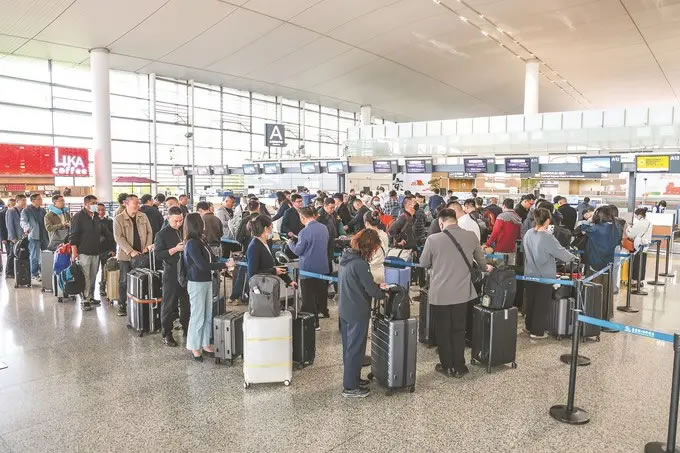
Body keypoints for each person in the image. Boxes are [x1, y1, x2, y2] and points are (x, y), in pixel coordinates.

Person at [420, 208, 489, 378]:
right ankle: (459, 365)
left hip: (440, 294)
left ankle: (447, 366)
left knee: (443, 330)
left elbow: (423, 263)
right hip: (462, 293)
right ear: (456, 220)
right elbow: (482, 263)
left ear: (441, 223)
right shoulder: (471, 236)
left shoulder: (433, 239)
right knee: (459, 329)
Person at [337, 229, 386, 398]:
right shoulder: (360, 264)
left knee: (349, 348)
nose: (374, 252)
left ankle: (353, 379)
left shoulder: (345, 259)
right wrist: (383, 293)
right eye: (374, 249)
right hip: (357, 311)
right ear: (369, 247)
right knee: (355, 349)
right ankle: (350, 387)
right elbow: (371, 290)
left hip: (345, 308)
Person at [523, 208, 578, 339]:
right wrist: (573, 257)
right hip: (544, 276)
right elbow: (561, 253)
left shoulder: (528, 233)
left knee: (531, 302)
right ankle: (537, 332)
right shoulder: (548, 237)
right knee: (541, 305)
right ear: (548, 220)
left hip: (529, 274)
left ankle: (528, 326)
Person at [183, 213, 227, 361]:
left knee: (208, 314)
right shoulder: (191, 243)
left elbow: (211, 259)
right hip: (196, 282)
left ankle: (205, 342)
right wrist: (223, 265)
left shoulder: (201, 240)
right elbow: (202, 265)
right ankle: (194, 346)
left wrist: (223, 262)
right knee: (198, 315)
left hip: (207, 281)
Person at [288, 207, 329, 328]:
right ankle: (319, 315)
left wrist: (290, 244)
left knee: (308, 298)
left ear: (302, 217)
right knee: (318, 295)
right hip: (322, 267)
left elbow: (298, 251)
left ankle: (314, 323)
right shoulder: (324, 228)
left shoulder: (304, 232)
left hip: (308, 270)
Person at [154, 206, 190, 346]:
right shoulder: (161, 234)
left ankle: (187, 327)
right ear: (168, 218)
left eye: (181, 220)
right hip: (171, 272)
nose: (179, 223)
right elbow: (158, 254)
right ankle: (167, 333)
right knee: (169, 304)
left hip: (185, 271)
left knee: (186, 303)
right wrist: (175, 249)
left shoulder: (184, 230)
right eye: (176, 221)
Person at [113, 194, 153, 317]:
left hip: (142, 255)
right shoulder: (119, 219)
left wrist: (147, 246)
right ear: (127, 204)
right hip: (126, 256)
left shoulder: (143, 216)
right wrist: (130, 251)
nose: (137, 205)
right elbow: (118, 237)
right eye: (135, 203)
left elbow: (149, 232)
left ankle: (140, 303)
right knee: (124, 281)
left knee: (142, 279)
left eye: (138, 203)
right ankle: (122, 305)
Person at [70, 195, 109, 310]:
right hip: (83, 252)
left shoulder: (96, 216)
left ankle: (91, 296)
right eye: (93, 203)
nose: (95, 205)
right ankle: (84, 300)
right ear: (85, 204)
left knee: (93, 276)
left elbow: (102, 231)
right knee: (85, 277)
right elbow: (73, 235)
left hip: (95, 252)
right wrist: (74, 252)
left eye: (96, 203)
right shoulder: (78, 217)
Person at [245, 215, 296, 288]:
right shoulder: (254, 247)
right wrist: (274, 271)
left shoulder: (267, 242)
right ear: (266, 228)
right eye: (272, 227)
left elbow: (272, 265)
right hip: (260, 289)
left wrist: (289, 281)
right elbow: (253, 273)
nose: (273, 229)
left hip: (269, 286)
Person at [230, 199, 262, 304]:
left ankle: (236, 296)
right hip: (263, 251)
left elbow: (238, 238)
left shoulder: (245, 220)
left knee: (242, 274)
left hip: (248, 250)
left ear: (248, 208)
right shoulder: (264, 219)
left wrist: (246, 242)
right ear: (258, 207)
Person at [578, 205, 621, 273]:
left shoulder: (595, 228)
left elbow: (581, 227)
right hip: (610, 260)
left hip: (595, 261)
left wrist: (589, 220)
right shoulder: (616, 227)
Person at [20, 193, 48, 281]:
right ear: (33, 201)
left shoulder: (43, 210)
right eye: (39, 199)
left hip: (44, 235)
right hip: (34, 235)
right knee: (35, 256)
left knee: (45, 254)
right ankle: (34, 273)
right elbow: (23, 221)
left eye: (41, 199)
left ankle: (44, 272)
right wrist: (27, 228)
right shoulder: (26, 210)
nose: (41, 200)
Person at [626, 208, 653, 289]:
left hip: (638, 246)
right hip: (645, 245)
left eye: (636, 215)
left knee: (636, 263)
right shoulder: (649, 222)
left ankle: (634, 281)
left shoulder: (639, 223)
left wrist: (627, 229)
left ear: (640, 215)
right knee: (642, 263)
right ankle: (640, 281)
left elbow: (631, 235)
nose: (635, 217)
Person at [96, 203, 117, 298]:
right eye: (99, 210)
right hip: (95, 250)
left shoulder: (109, 221)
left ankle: (102, 288)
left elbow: (114, 237)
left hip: (107, 250)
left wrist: (113, 250)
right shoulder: (92, 221)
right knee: (93, 271)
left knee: (105, 270)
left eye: (103, 210)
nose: (101, 212)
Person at [317, 197, 338, 283]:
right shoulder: (319, 216)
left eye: (334, 207)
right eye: (331, 208)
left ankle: (328, 281)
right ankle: (324, 282)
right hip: (324, 244)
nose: (332, 210)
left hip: (331, 242)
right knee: (325, 265)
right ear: (325, 206)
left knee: (329, 263)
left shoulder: (332, 214)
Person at [364, 211, 389, 284]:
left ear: (367, 223)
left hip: (369, 271)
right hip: (381, 270)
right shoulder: (384, 234)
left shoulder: (368, 236)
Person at [6, 195, 26, 279]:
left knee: (20, 254)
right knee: (12, 254)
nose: (24, 202)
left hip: (22, 237)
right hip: (15, 238)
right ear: (17, 201)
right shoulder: (11, 211)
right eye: (23, 201)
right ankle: (9, 272)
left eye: (25, 201)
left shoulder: (24, 210)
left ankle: (18, 271)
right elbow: (9, 225)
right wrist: (12, 237)